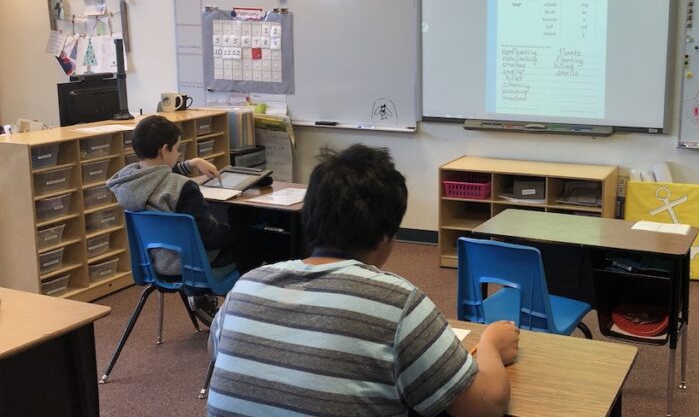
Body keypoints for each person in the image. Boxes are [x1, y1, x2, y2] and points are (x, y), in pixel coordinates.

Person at [206, 145, 519, 417]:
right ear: (387, 235)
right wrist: (491, 344)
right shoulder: (398, 303)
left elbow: (219, 356)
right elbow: (485, 407)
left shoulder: (244, 288)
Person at [107, 115, 234, 325]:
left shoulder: (128, 183)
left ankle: (200, 299)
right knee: (247, 241)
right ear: (165, 150)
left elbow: (157, 178)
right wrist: (231, 230)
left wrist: (191, 164)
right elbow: (209, 238)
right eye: (176, 149)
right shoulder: (184, 188)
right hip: (193, 267)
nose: (178, 154)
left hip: (154, 265)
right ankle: (239, 318)